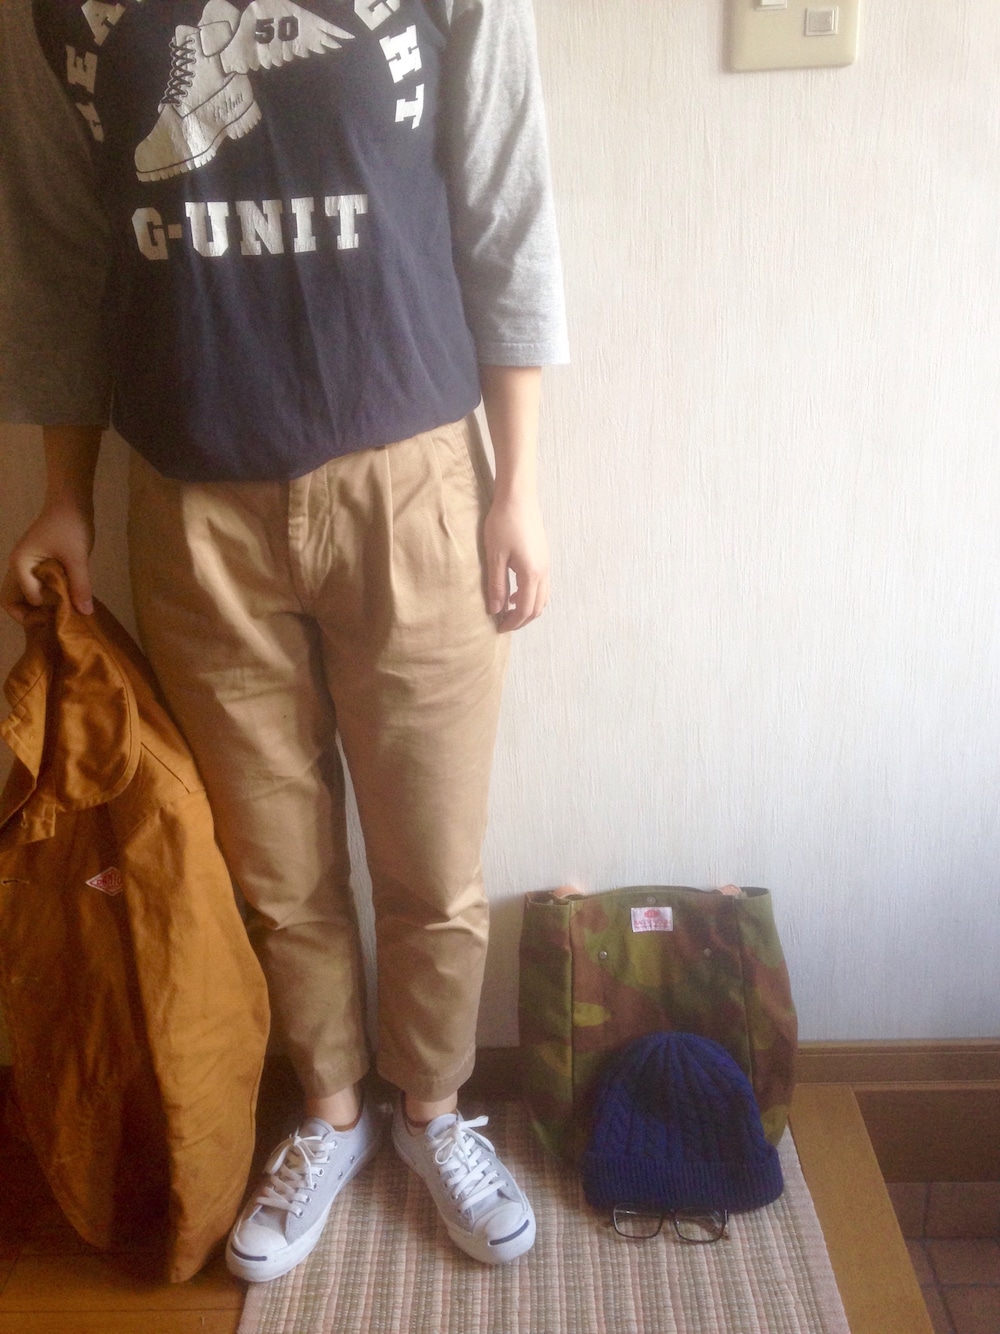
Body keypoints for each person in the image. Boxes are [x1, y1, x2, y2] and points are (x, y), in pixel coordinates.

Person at [0, 0, 567, 1281]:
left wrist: (520, 480)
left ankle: (432, 1106)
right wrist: (62, 491)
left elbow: (503, 201)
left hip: (412, 479)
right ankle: (329, 1110)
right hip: (191, 493)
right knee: (274, 862)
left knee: (432, 853)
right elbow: (56, 247)